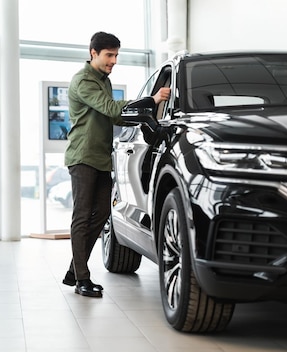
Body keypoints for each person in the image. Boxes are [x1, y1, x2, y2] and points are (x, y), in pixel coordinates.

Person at [61, 32, 170, 298]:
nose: (114, 61)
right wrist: (151, 100)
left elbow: (115, 119)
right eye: (109, 55)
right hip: (83, 156)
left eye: (116, 55)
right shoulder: (83, 81)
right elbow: (110, 109)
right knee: (82, 216)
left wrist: (145, 118)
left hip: (100, 157)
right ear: (93, 53)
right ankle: (81, 279)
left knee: (101, 215)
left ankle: (74, 271)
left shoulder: (103, 81)